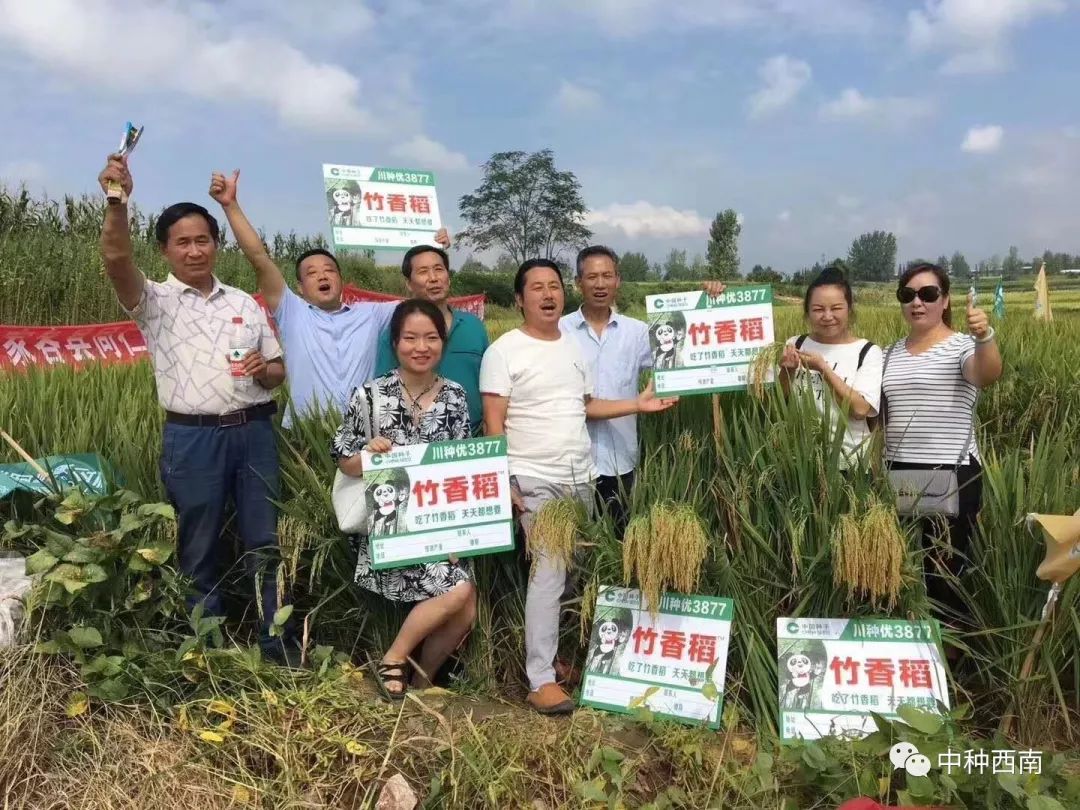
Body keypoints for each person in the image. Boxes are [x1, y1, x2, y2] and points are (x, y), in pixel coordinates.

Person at [98, 155, 297, 665]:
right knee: (199, 544)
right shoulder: (155, 301)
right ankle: (205, 652)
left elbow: (277, 373)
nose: (193, 250)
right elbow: (117, 260)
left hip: (254, 432)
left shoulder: (245, 304)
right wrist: (117, 202)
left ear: (216, 244)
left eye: (202, 239)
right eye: (182, 242)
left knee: (264, 540)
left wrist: (262, 370)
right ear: (165, 250)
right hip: (193, 439)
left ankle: (276, 648)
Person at [480, 259, 677, 715]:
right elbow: (494, 424)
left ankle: (554, 659)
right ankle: (540, 679)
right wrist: (503, 480)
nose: (547, 295)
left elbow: (586, 406)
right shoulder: (504, 350)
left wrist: (637, 404)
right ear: (519, 299)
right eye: (536, 288)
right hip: (533, 478)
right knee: (549, 572)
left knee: (571, 574)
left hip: (580, 478)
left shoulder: (572, 347)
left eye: (553, 286)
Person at [209, 170, 450, 425]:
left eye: (329, 270)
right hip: (306, 432)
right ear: (300, 287)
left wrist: (436, 252)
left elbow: (423, 297)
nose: (323, 276)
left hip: (363, 432)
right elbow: (258, 258)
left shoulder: (372, 314)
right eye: (312, 273)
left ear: (341, 279)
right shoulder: (292, 312)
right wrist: (230, 205)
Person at [331, 299, 476, 699]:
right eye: (410, 337)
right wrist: (369, 455)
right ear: (395, 342)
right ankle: (394, 659)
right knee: (461, 592)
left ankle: (420, 680)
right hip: (389, 532)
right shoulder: (370, 396)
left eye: (431, 337)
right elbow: (345, 461)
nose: (421, 346)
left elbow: (460, 467)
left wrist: (456, 538)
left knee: (466, 605)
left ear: (442, 344)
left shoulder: (456, 397)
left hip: (438, 526)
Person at [560, 246, 725, 534]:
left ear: (618, 280)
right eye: (592, 277)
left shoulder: (636, 332)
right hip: (569, 461)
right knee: (574, 550)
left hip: (620, 459)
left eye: (607, 276)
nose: (600, 284)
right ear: (578, 282)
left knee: (619, 543)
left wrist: (709, 302)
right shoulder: (560, 330)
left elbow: (687, 349)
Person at [881, 262, 1002, 618]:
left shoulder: (962, 346)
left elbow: (985, 373)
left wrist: (985, 336)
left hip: (951, 472)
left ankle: (949, 656)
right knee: (902, 565)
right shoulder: (890, 354)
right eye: (908, 295)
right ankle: (911, 647)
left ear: (945, 300)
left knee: (945, 569)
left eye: (928, 294)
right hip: (898, 472)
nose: (917, 302)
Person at [375, 244, 488, 433]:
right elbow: (383, 390)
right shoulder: (397, 332)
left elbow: (489, 383)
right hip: (419, 443)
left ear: (448, 278)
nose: (433, 278)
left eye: (439, 269)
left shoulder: (473, 326)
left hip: (473, 440)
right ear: (409, 284)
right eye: (423, 271)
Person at [778, 267, 883, 468]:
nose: (827, 316)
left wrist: (823, 369)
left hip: (850, 462)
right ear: (807, 312)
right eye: (818, 309)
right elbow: (777, 400)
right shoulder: (795, 344)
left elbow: (860, 410)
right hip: (800, 461)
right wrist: (787, 372)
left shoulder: (867, 351)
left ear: (849, 309)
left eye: (836, 308)